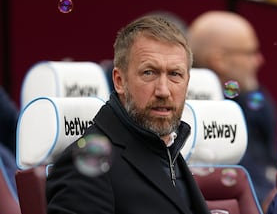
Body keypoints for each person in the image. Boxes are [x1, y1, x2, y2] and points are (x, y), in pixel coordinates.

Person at [46, 15, 210, 214]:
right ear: (119, 81)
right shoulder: (84, 165)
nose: (164, 90)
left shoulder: (168, 150)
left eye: (175, 74)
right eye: (149, 72)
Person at [187, 10, 277, 205]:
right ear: (218, 60)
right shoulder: (192, 115)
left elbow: (270, 167)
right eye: (250, 52)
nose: (259, 60)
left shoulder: (256, 101)